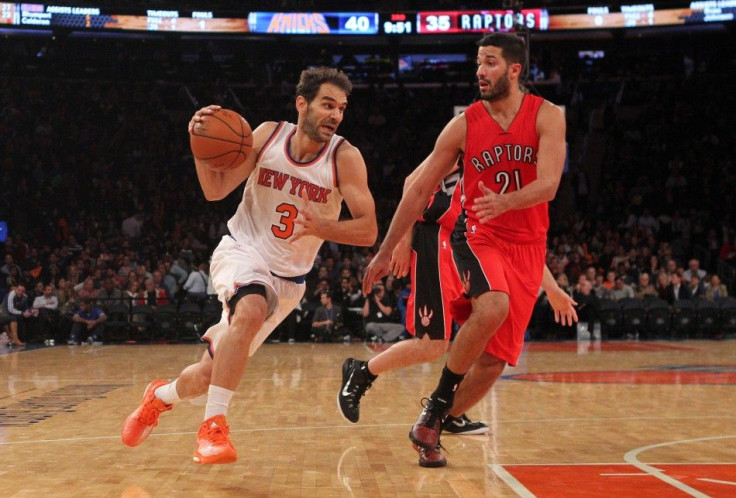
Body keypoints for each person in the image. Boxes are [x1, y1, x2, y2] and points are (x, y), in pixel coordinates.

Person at [121, 67, 377, 465]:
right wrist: (199, 145)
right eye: (327, 104)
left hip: (289, 281)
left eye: (341, 108)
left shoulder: (345, 158)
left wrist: (324, 226)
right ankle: (213, 428)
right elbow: (215, 189)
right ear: (302, 104)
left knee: (207, 375)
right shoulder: (268, 135)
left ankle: (158, 397)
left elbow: (368, 230)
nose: (335, 115)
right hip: (241, 251)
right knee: (251, 307)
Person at [362, 33, 570, 466]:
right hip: (478, 235)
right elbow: (417, 189)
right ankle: (438, 406)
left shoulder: (548, 117)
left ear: (515, 69)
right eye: (478, 63)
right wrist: (386, 250)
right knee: (492, 307)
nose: (480, 71)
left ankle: (432, 424)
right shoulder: (464, 125)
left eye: (490, 62)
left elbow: (549, 184)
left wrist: (508, 204)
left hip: (528, 245)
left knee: (495, 361)